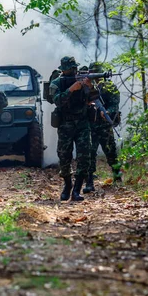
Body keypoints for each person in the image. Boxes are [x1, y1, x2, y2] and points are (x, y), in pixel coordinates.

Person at [51, 56, 92, 201]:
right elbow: (57, 101)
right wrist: (71, 89)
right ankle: (67, 186)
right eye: (70, 68)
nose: (73, 71)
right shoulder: (57, 83)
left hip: (82, 124)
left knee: (84, 157)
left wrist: (89, 86)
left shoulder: (83, 81)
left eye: (74, 68)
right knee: (64, 156)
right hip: (65, 125)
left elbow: (93, 98)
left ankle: (77, 189)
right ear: (64, 69)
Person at [83, 62, 122, 193]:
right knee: (90, 153)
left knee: (110, 151)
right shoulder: (85, 86)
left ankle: (117, 177)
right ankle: (89, 181)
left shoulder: (109, 87)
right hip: (90, 124)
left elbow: (114, 103)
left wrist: (108, 112)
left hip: (104, 125)